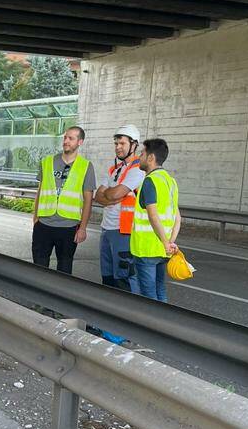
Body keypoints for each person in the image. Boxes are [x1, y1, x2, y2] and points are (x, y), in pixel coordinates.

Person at [31, 126, 95, 274]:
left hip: (68, 227)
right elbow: (40, 191)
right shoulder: (46, 162)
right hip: (44, 225)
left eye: (71, 138)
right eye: (65, 137)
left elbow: (88, 200)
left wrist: (83, 228)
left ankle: (58, 297)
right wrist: (35, 218)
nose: (66, 141)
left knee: (64, 271)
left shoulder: (86, 166)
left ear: (80, 142)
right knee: (38, 269)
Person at [93, 125, 145, 290]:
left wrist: (109, 195)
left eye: (122, 143)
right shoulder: (114, 169)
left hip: (124, 231)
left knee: (124, 279)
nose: (118, 147)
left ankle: (128, 314)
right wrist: (109, 196)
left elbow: (114, 194)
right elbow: (98, 196)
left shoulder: (138, 169)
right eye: (116, 144)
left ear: (134, 144)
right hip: (106, 229)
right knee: (107, 277)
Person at [129, 138, 181, 302]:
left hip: (147, 250)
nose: (139, 157)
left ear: (151, 158)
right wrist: (170, 242)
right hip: (162, 250)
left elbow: (153, 215)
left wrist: (166, 242)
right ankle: (163, 325)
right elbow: (178, 217)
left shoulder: (150, 181)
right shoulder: (170, 181)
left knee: (149, 296)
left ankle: (150, 326)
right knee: (160, 291)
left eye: (142, 153)